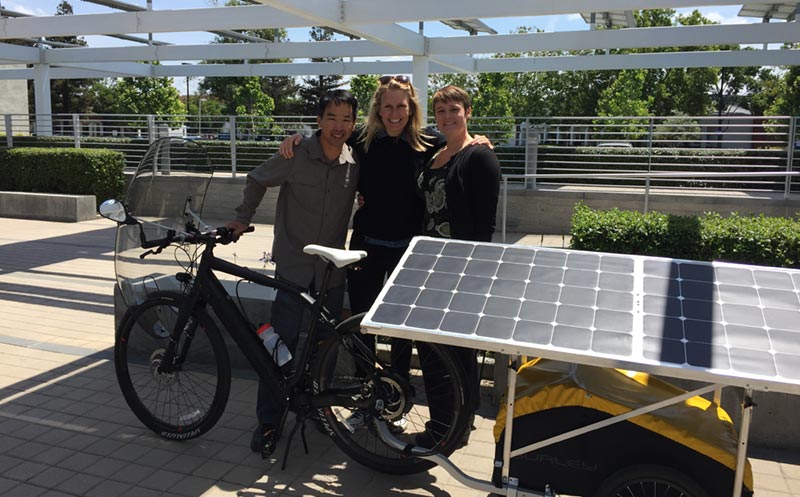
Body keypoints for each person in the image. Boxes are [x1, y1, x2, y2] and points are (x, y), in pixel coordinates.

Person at [225, 89, 359, 457]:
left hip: (331, 273)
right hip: (294, 268)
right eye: (331, 117)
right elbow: (256, 178)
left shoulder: (354, 162)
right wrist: (242, 218)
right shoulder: (295, 153)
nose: (339, 126)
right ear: (318, 120)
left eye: (347, 118)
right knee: (279, 343)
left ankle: (318, 409)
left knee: (325, 346)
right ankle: (268, 421)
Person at [416, 84, 501, 447]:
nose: (447, 117)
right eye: (441, 111)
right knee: (432, 348)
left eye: (454, 109)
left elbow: (485, 224)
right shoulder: (435, 153)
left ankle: (452, 427)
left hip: (460, 269)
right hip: (429, 266)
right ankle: (446, 421)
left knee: (458, 352)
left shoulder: (479, 157)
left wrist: (474, 271)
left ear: (467, 112)